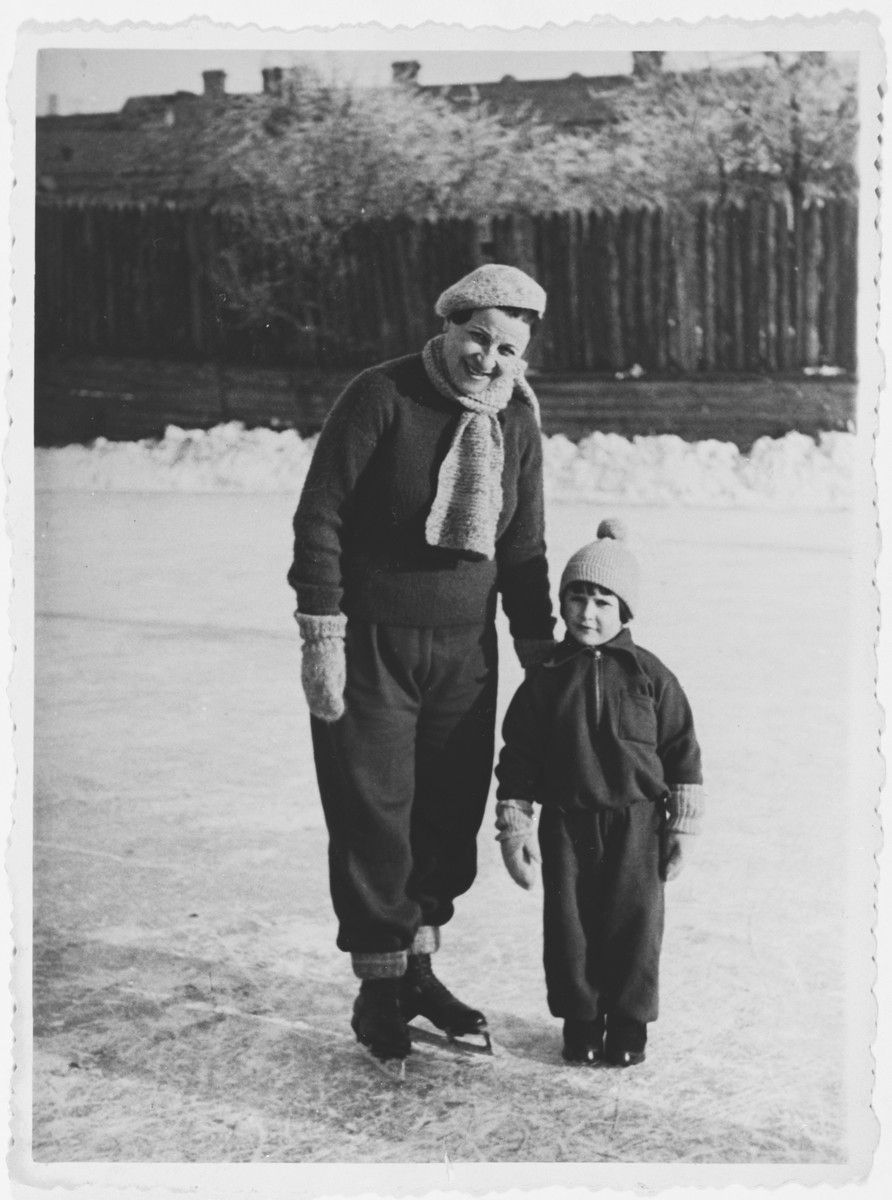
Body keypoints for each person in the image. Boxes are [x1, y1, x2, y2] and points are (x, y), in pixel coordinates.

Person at [288, 264, 557, 1064]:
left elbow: (525, 548)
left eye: (507, 348)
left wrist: (540, 654)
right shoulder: (384, 394)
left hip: (465, 654)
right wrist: (322, 631)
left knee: (443, 814)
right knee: (373, 812)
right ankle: (379, 986)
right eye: (478, 337)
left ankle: (419, 971)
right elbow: (321, 514)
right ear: (450, 326)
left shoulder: (518, 423)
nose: (489, 358)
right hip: (374, 641)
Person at [494, 519, 704, 1067]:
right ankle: (581, 1019)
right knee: (570, 925)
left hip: (637, 821)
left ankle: (630, 1021)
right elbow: (518, 755)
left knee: (635, 923)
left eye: (603, 602)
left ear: (625, 611)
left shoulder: (650, 675)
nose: (587, 614)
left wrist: (681, 826)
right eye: (576, 598)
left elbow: (682, 749)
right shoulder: (545, 678)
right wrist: (514, 825)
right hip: (566, 822)